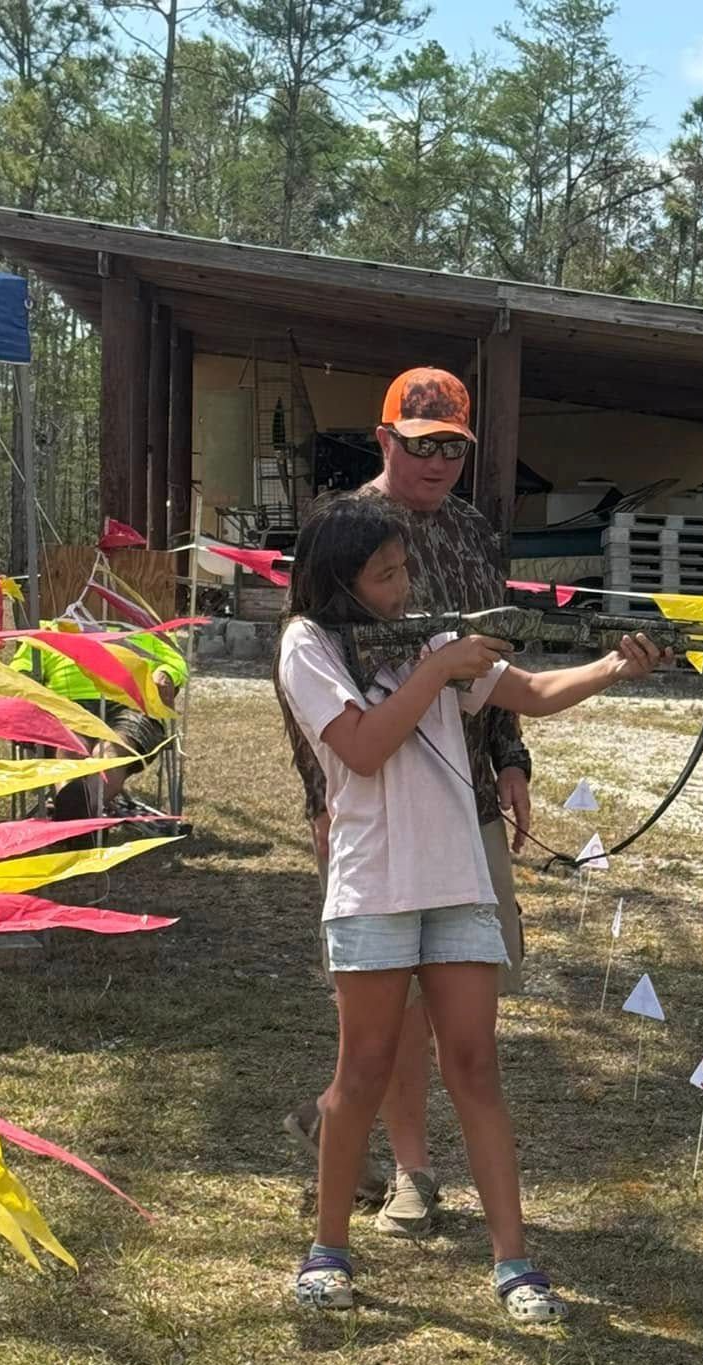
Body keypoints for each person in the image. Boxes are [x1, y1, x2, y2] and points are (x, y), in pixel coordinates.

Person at [275, 492, 665, 1325]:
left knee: (477, 1068)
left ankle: (515, 1264)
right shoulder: (308, 645)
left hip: (457, 884)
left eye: (403, 568)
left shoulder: (428, 637)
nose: (402, 585)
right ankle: (328, 1249)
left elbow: (528, 690)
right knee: (363, 1072)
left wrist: (613, 667)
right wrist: (433, 672)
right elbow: (363, 750)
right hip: (375, 887)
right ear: (339, 583)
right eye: (385, 575)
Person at [280, 366, 531, 1238]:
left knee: (452, 1001)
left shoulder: (469, 532)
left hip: (463, 793)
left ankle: (335, 1127)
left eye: (452, 449)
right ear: (385, 439)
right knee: (396, 1013)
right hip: (372, 791)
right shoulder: (344, 531)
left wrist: (511, 757)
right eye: (421, 446)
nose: (437, 463)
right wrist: (322, 797)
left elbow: (493, 656)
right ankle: (410, 1173)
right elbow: (312, 676)